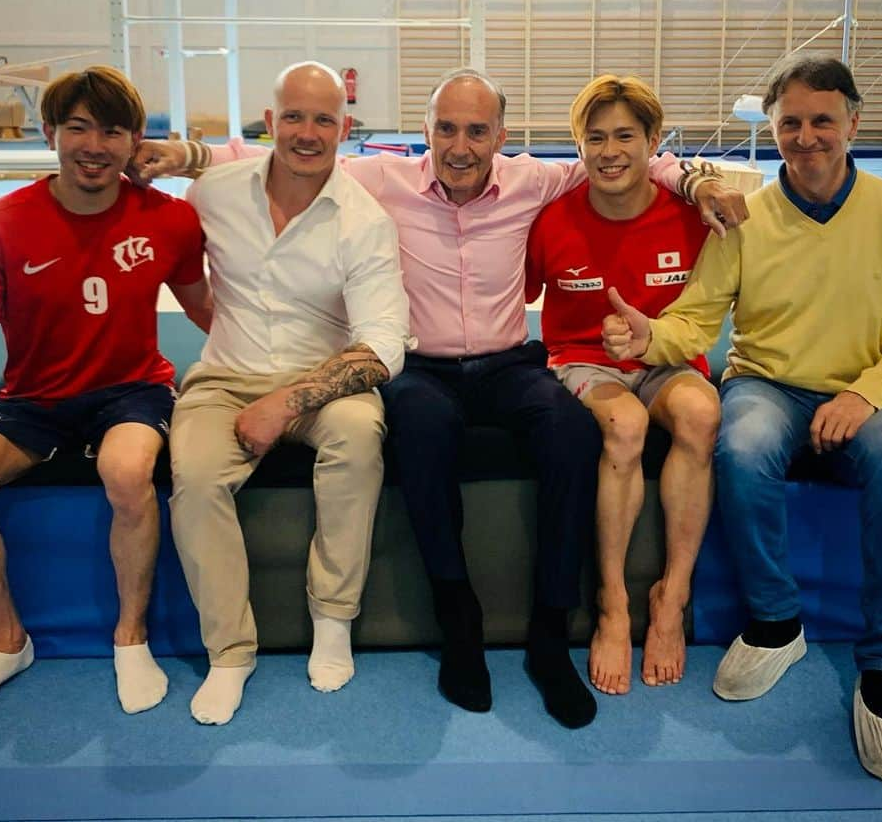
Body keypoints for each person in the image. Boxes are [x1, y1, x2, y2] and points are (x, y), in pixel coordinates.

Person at [137, 68, 748, 730]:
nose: (461, 146)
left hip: (507, 362)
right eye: (447, 129)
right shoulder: (381, 179)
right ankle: (459, 617)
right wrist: (183, 154)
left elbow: (635, 161)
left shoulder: (534, 179)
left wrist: (698, 182)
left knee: (571, 433)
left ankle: (549, 630)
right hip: (420, 366)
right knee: (421, 432)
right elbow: (267, 153)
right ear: (426, 132)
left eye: (477, 131)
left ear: (501, 137)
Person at [602, 53, 882, 783]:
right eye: (789, 123)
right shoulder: (745, 220)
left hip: (865, 390)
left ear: (852, 123)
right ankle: (776, 619)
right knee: (742, 444)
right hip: (767, 383)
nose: (806, 136)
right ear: (772, 129)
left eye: (821, 120)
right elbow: (697, 317)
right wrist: (652, 339)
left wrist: (865, 394)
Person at [0, 66, 211, 717]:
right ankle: (6, 641)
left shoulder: (169, 220)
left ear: (134, 140)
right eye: (78, 127)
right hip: (32, 398)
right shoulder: (1, 224)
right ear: (51, 132)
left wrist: (281, 364)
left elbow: (209, 313)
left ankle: (130, 637)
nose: (94, 145)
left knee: (126, 469)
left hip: (134, 390)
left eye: (112, 130)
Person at [167, 62, 410, 726]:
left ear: (346, 128)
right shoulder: (211, 195)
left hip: (321, 379)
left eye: (324, 120)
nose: (308, 133)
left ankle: (333, 618)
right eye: (295, 118)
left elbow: (384, 343)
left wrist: (288, 401)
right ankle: (229, 652)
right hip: (225, 377)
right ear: (270, 123)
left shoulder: (364, 221)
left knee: (360, 436)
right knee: (192, 474)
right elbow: (184, 274)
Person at [525, 73, 719, 698]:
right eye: (595, 137)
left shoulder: (690, 214)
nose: (609, 151)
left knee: (700, 414)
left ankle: (671, 597)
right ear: (578, 146)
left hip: (665, 358)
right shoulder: (552, 220)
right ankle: (612, 603)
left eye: (625, 136)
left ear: (654, 142)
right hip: (585, 360)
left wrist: (652, 337)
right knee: (625, 425)